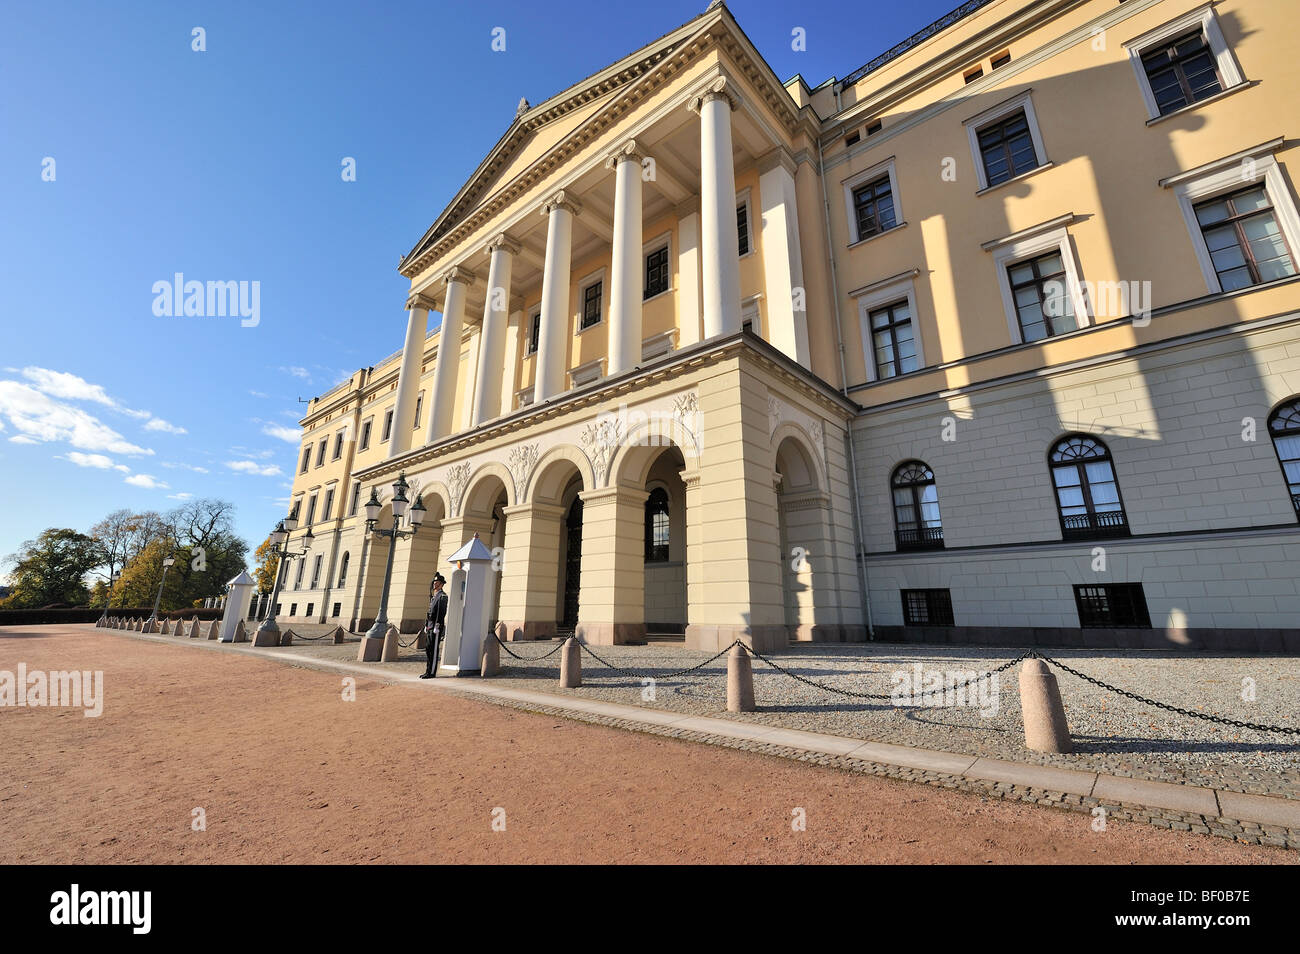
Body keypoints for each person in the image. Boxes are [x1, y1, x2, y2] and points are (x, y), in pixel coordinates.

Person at [420, 573, 448, 678]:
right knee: (428, 649)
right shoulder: (434, 596)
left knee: (433, 650)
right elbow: (430, 612)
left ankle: (432, 672)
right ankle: (428, 671)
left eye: (437, 583)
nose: (434, 585)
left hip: (436, 626)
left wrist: (437, 625)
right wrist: (427, 625)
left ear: (441, 585)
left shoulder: (442, 596)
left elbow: (441, 612)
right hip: (430, 626)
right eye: (434, 583)